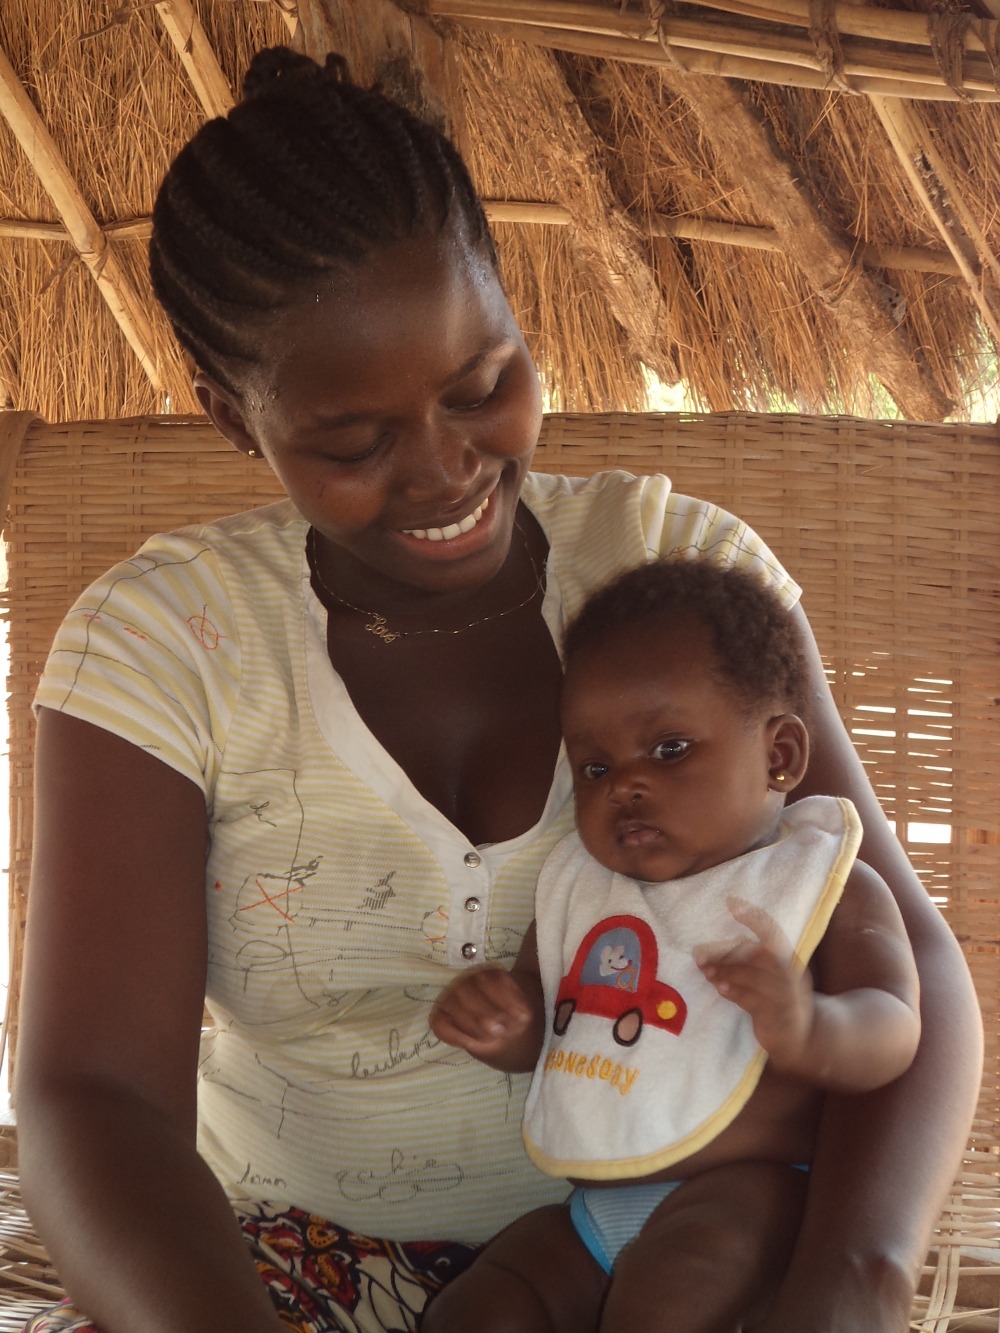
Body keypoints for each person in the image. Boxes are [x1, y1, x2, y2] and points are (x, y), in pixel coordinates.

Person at [14, 45, 980, 1333]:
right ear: (234, 416)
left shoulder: (677, 575)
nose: (444, 471)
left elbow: (905, 957)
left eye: (483, 388)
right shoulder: (165, 643)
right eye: (354, 440)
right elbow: (94, 1095)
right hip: (273, 1267)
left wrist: (850, 1279)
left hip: (690, 1239)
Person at [425, 560, 922, 1331]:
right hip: (594, 1214)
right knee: (482, 1304)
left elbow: (896, 1025)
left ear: (780, 755)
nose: (624, 784)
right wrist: (504, 1020)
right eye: (595, 765)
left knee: (671, 1295)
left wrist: (810, 1025)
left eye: (670, 749)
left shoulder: (827, 885)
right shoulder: (586, 889)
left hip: (751, 1199)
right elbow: (549, 1021)